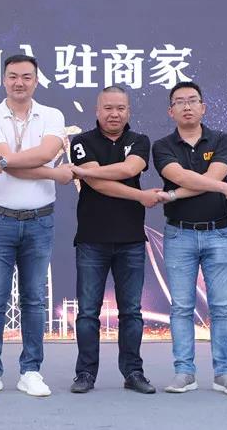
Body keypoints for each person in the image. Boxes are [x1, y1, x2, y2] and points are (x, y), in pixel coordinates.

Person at [0, 54, 73, 398]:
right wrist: (51, 173)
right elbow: (15, 165)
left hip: (39, 219)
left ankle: (31, 371)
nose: (19, 82)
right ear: (4, 80)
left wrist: (1, 161)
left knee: (34, 299)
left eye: (26, 77)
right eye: (13, 76)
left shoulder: (52, 115)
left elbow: (42, 154)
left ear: (36, 81)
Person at [151, 81, 227, 396]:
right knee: (181, 307)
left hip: (220, 232)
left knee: (221, 308)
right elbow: (180, 175)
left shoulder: (220, 139)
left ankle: (224, 373)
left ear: (203, 107)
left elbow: (213, 176)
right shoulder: (162, 145)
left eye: (193, 100)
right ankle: (184, 372)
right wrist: (226, 188)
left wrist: (174, 194)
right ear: (171, 111)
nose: (187, 106)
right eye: (180, 101)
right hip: (180, 234)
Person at [67, 86, 161, 395]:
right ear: (97, 111)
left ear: (128, 111)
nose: (114, 114)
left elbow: (129, 168)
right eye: (108, 108)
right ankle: (85, 373)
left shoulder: (139, 140)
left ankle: (133, 372)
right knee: (87, 313)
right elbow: (97, 183)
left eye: (120, 108)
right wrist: (139, 195)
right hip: (92, 239)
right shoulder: (82, 141)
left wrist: (84, 172)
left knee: (131, 312)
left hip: (130, 240)